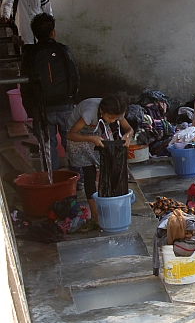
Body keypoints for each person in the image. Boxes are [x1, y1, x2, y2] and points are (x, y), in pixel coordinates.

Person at [20, 13, 79, 174]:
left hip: (42, 108)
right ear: (53, 31)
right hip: (66, 105)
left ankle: (51, 178)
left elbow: (25, 84)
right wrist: (72, 98)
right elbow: (75, 76)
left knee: (47, 144)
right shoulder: (63, 50)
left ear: (34, 34)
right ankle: (78, 178)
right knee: (72, 141)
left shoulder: (29, 55)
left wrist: (30, 109)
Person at [66, 96, 133, 224]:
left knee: (110, 166)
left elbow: (129, 129)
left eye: (115, 118)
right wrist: (91, 139)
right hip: (79, 136)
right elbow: (70, 134)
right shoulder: (89, 113)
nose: (113, 120)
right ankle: (95, 214)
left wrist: (127, 135)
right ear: (101, 111)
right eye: (110, 118)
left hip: (97, 133)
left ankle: (111, 204)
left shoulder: (115, 111)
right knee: (89, 173)